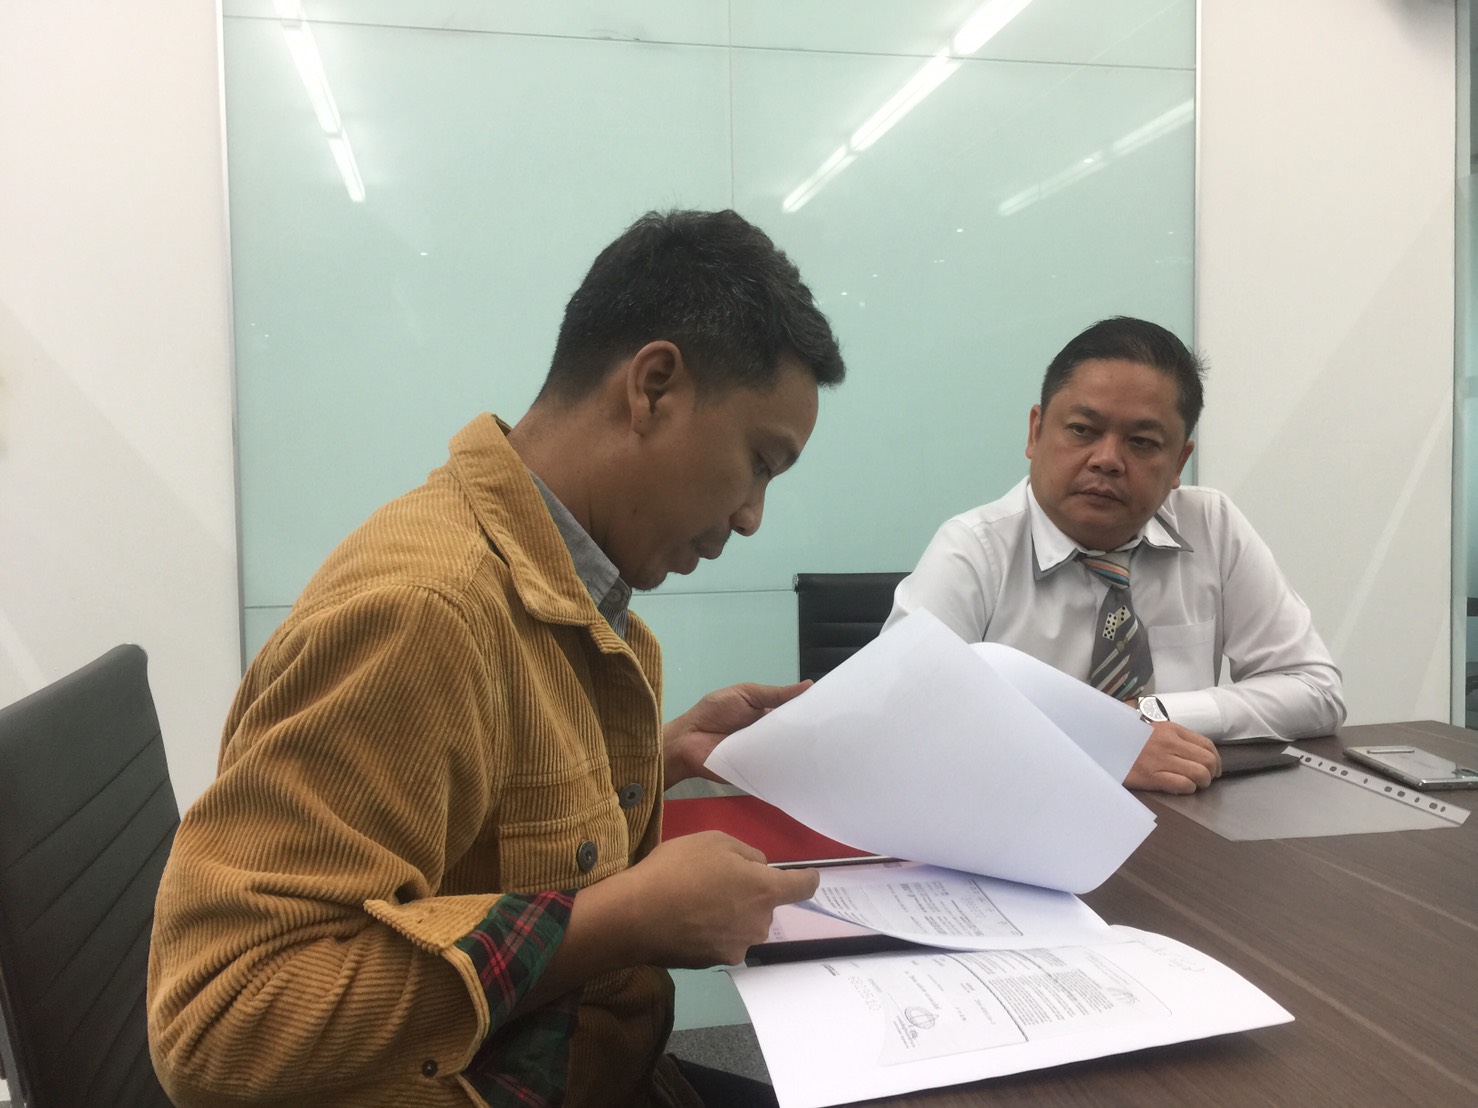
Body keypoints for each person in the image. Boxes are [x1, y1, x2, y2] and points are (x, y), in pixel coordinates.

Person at [148, 209, 845, 1108]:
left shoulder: (568, 598)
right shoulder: (424, 613)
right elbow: (220, 1022)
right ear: (653, 387)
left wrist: (658, 755)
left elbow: (476, 833)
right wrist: (628, 918)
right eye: (760, 462)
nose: (751, 516)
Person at [884, 316, 1344, 795]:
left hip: (1185, 817)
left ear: (1178, 462)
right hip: (1022, 815)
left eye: (1142, 442)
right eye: (1083, 430)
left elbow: (1315, 690)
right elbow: (900, 720)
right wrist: (1100, 744)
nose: (1107, 459)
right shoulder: (974, 550)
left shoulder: (1212, 526)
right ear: (1036, 432)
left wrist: (1152, 715)